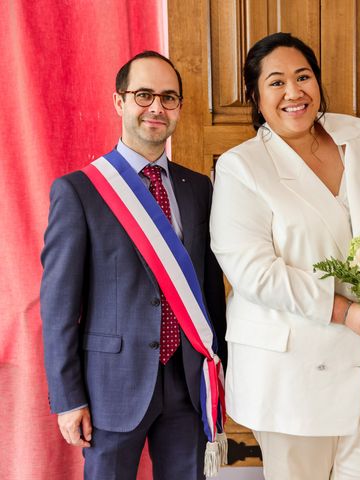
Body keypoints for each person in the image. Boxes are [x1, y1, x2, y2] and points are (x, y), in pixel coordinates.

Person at [210, 32, 360, 480]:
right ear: (256, 96)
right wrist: (346, 313)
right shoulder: (240, 166)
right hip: (293, 368)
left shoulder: (356, 134)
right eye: (277, 82)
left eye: (303, 77)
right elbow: (254, 273)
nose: (294, 92)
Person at [40, 51, 227, 479]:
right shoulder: (80, 191)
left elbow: (210, 291)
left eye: (169, 97)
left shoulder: (198, 188)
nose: (156, 108)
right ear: (119, 102)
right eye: (143, 95)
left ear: (179, 107)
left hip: (187, 381)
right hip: (110, 385)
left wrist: (220, 372)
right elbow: (58, 307)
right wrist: (68, 397)